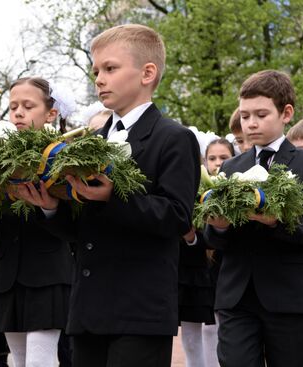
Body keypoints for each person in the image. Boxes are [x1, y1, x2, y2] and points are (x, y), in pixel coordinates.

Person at [15, 24, 201, 367]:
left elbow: (177, 216)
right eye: (96, 71)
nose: (99, 79)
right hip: (88, 308)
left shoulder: (173, 137)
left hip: (139, 308)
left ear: (147, 73)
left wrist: (113, 198)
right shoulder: (90, 140)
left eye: (110, 69)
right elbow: (82, 229)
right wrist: (52, 208)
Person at [205, 70, 303, 367]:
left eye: (261, 115)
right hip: (236, 296)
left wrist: (274, 220)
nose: (250, 123)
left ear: (286, 113)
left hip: (290, 295)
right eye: (245, 115)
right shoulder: (229, 167)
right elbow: (212, 237)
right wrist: (218, 227)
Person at [0, 77, 74, 367]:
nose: (18, 113)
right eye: (13, 106)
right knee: (18, 360)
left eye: (28, 105)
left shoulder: (62, 156)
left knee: (41, 360)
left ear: (50, 113)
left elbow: (74, 224)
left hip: (48, 275)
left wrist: (50, 207)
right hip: (7, 276)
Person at [179, 139, 234, 367]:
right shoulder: (194, 188)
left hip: (222, 269)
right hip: (193, 270)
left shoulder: (238, 189)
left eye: (224, 158)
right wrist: (190, 237)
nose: (217, 163)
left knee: (215, 331)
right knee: (190, 335)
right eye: (212, 158)